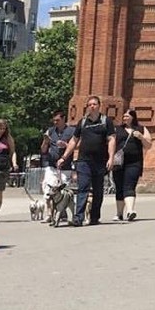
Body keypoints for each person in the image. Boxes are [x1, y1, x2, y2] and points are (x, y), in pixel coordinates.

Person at [57, 95, 116, 226]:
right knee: (83, 188)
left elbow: (111, 139)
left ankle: (94, 217)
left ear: (99, 106)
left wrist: (111, 158)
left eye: (94, 104)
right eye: (90, 104)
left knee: (98, 190)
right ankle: (78, 218)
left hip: (100, 161)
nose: (92, 106)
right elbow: (74, 140)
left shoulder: (106, 121)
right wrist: (64, 157)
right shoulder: (82, 122)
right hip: (84, 161)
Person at [112, 108, 152, 222]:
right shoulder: (117, 129)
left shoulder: (141, 129)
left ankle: (130, 211)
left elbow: (149, 145)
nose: (125, 118)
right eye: (123, 116)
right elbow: (110, 143)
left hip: (134, 162)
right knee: (119, 187)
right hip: (118, 162)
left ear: (133, 117)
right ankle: (119, 213)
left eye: (127, 116)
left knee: (129, 186)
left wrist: (141, 137)